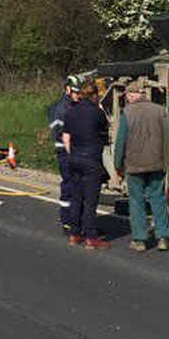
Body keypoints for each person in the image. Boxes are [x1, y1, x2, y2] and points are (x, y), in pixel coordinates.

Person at [114, 79, 169, 252]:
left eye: (128, 95)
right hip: (156, 163)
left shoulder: (128, 113)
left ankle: (140, 239)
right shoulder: (161, 111)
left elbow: (121, 142)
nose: (127, 99)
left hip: (134, 165)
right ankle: (163, 236)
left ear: (133, 94)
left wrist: (118, 165)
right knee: (158, 199)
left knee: (136, 201)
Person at [62, 81, 110, 249]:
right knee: (90, 200)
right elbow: (106, 129)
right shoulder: (97, 113)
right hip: (91, 159)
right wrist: (101, 108)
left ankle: (74, 233)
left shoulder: (70, 113)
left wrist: (72, 155)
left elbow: (66, 138)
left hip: (74, 158)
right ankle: (91, 236)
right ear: (94, 95)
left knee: (76, 197)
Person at [48, 74, 82, 233]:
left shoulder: (73, 105)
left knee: (78, 186)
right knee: (69, 186)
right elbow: (60, 132)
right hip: (65, 152)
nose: (78, 95)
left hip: (74, 150)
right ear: (68, 89)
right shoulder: (62, 109)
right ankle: (67, 221)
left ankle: (76, 219)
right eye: (75, 92)